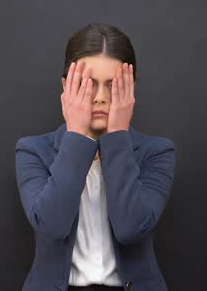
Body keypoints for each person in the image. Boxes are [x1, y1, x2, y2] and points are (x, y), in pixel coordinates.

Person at [14, 23, 176, 291]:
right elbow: (52, 226)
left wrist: (116, 136)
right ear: (67, 86)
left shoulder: (157, 152)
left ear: (130, 88)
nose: (100, 98)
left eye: (113, 86)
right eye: (88, 85)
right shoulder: (33, 151)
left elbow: (130, 228)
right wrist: (78, 134)